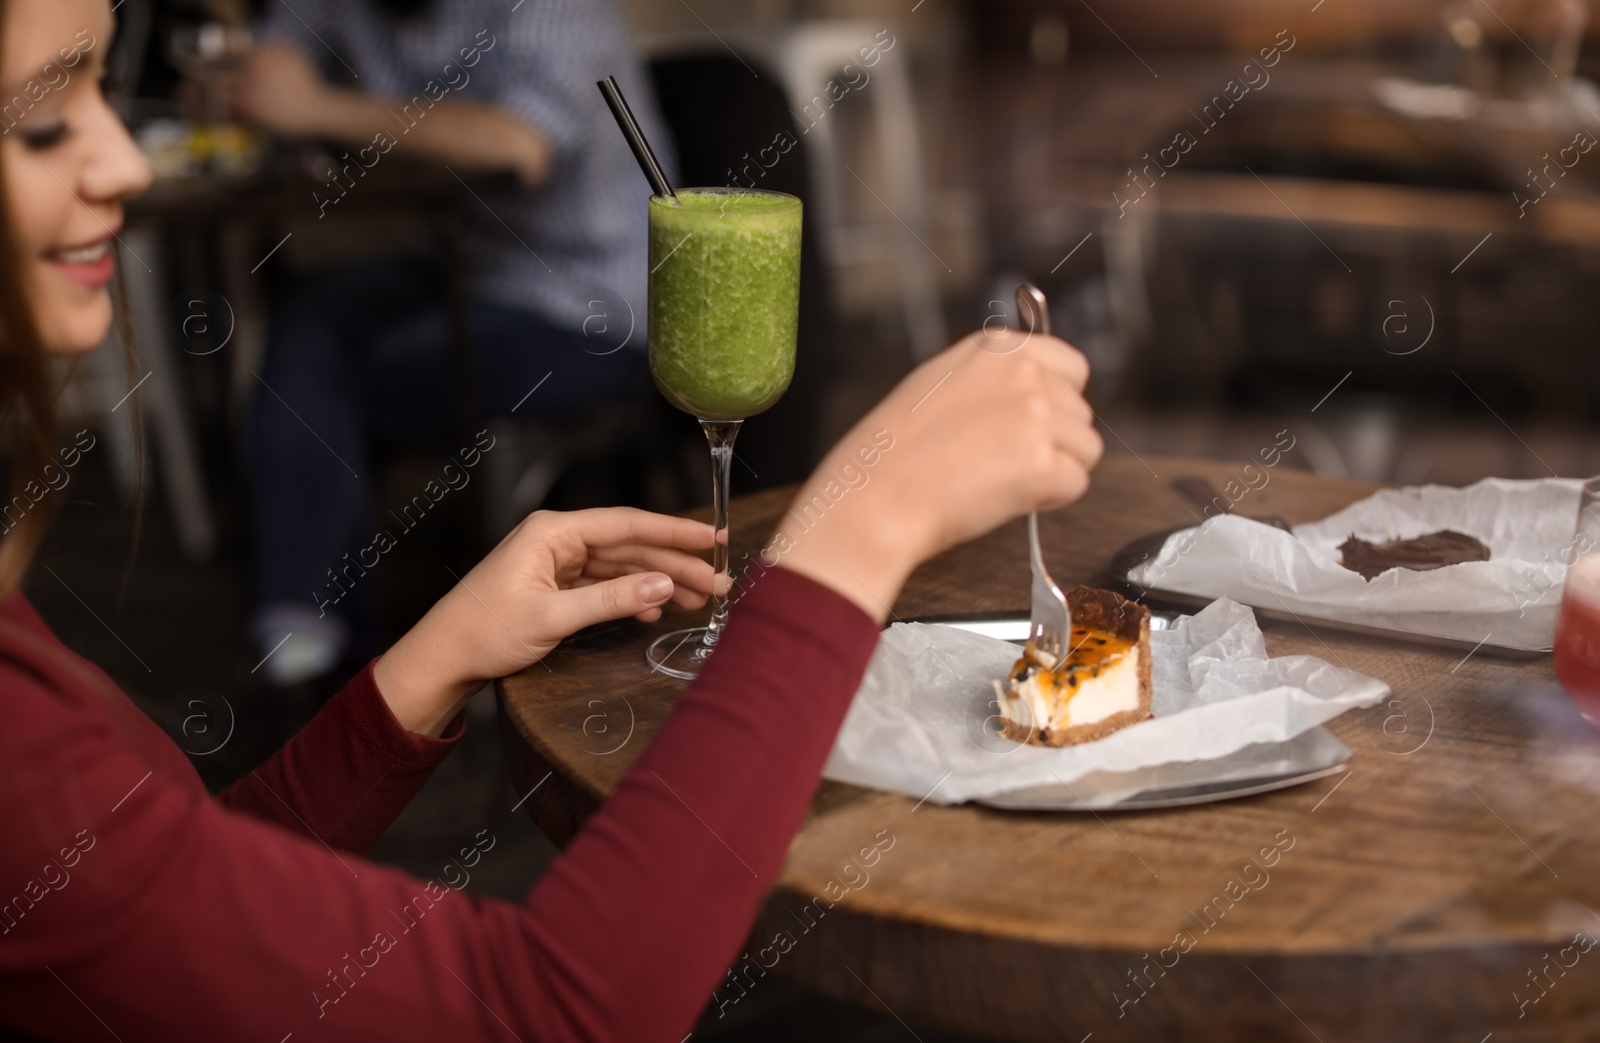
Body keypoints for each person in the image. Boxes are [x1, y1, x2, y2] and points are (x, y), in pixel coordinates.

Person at [0, 0, 1104, 1039]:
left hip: (583, 312)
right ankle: (297, 623)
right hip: (472, 294)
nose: (126, 163)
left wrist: (431, 659)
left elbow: (196, 902)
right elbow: (549, 1009)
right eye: (46, 120)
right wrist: (864, 518)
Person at [230, 0, 675, 685]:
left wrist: (315, 107)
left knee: (332, 384)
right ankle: (304, 618)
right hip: (465, 268)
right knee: (310, 319)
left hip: (583, 304)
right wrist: (267, 72)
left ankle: (351, 663)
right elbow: (282, 42)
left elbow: (516, 141)